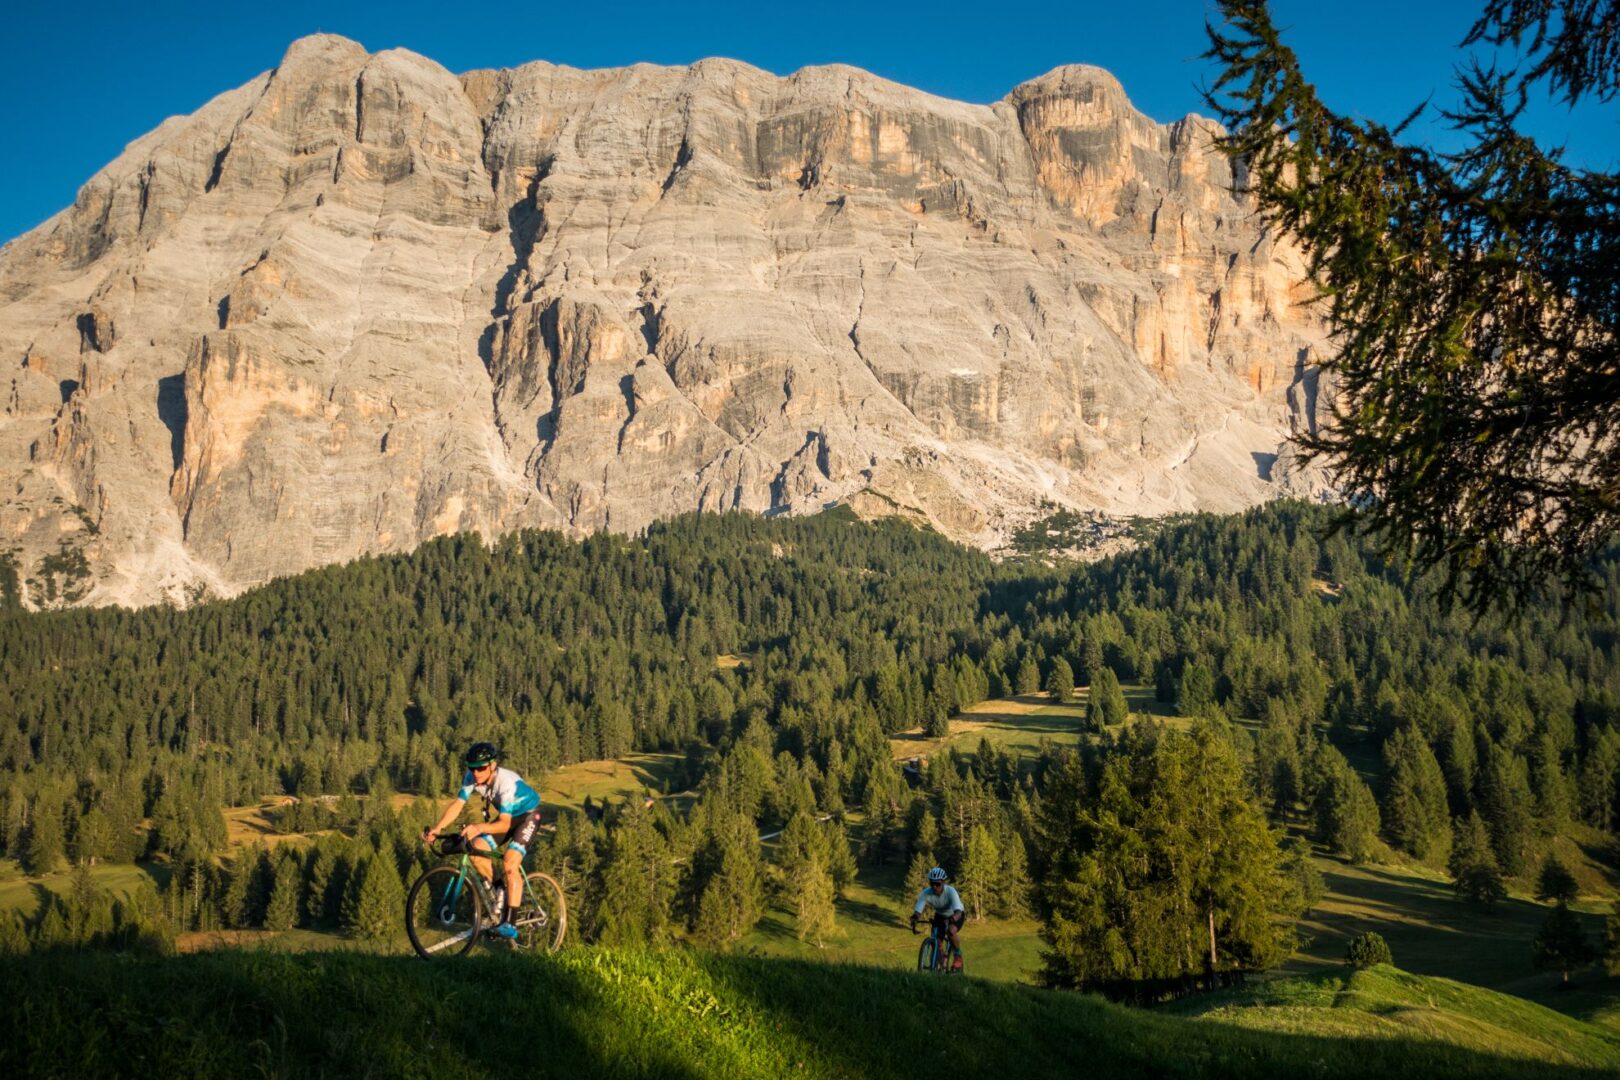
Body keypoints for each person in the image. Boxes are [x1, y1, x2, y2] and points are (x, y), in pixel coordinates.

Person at [423, 742, 541, 941]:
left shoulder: (506, 783)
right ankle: (499, 889)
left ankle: (510, 923)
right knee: (476, 849)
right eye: (472, 767)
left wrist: (478, 827)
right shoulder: (471, 778)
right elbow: (457, 805)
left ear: (493, 765)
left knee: (510, 862)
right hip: (508, 817)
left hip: (528, 816)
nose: (476, 772)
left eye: (481, 768)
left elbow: (504, 824)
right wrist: (437, 828)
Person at [910, 866, 965, 970]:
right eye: (932, 884)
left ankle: (958, 956)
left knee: (951, 931)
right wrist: (914, 918)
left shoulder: (951, 891)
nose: (935, 887)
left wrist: (952, 919)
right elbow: (918, 911)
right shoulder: (926, 893)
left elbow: (958, 912)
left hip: (956, 914)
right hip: (940, 915)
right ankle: (941, 965)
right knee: (936, 940)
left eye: (938, 884)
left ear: (943, 882)